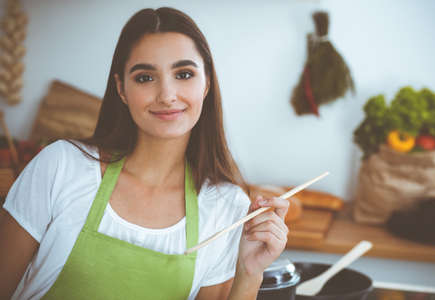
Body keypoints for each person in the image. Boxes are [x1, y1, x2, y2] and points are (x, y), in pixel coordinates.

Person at [0, 7, 289, 300]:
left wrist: (250, 273)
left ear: (207, 84)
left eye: (184, 74)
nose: (166, 95)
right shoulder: (60, 167)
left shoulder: (227, 208)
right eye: (145, 78)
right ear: (121, 89)